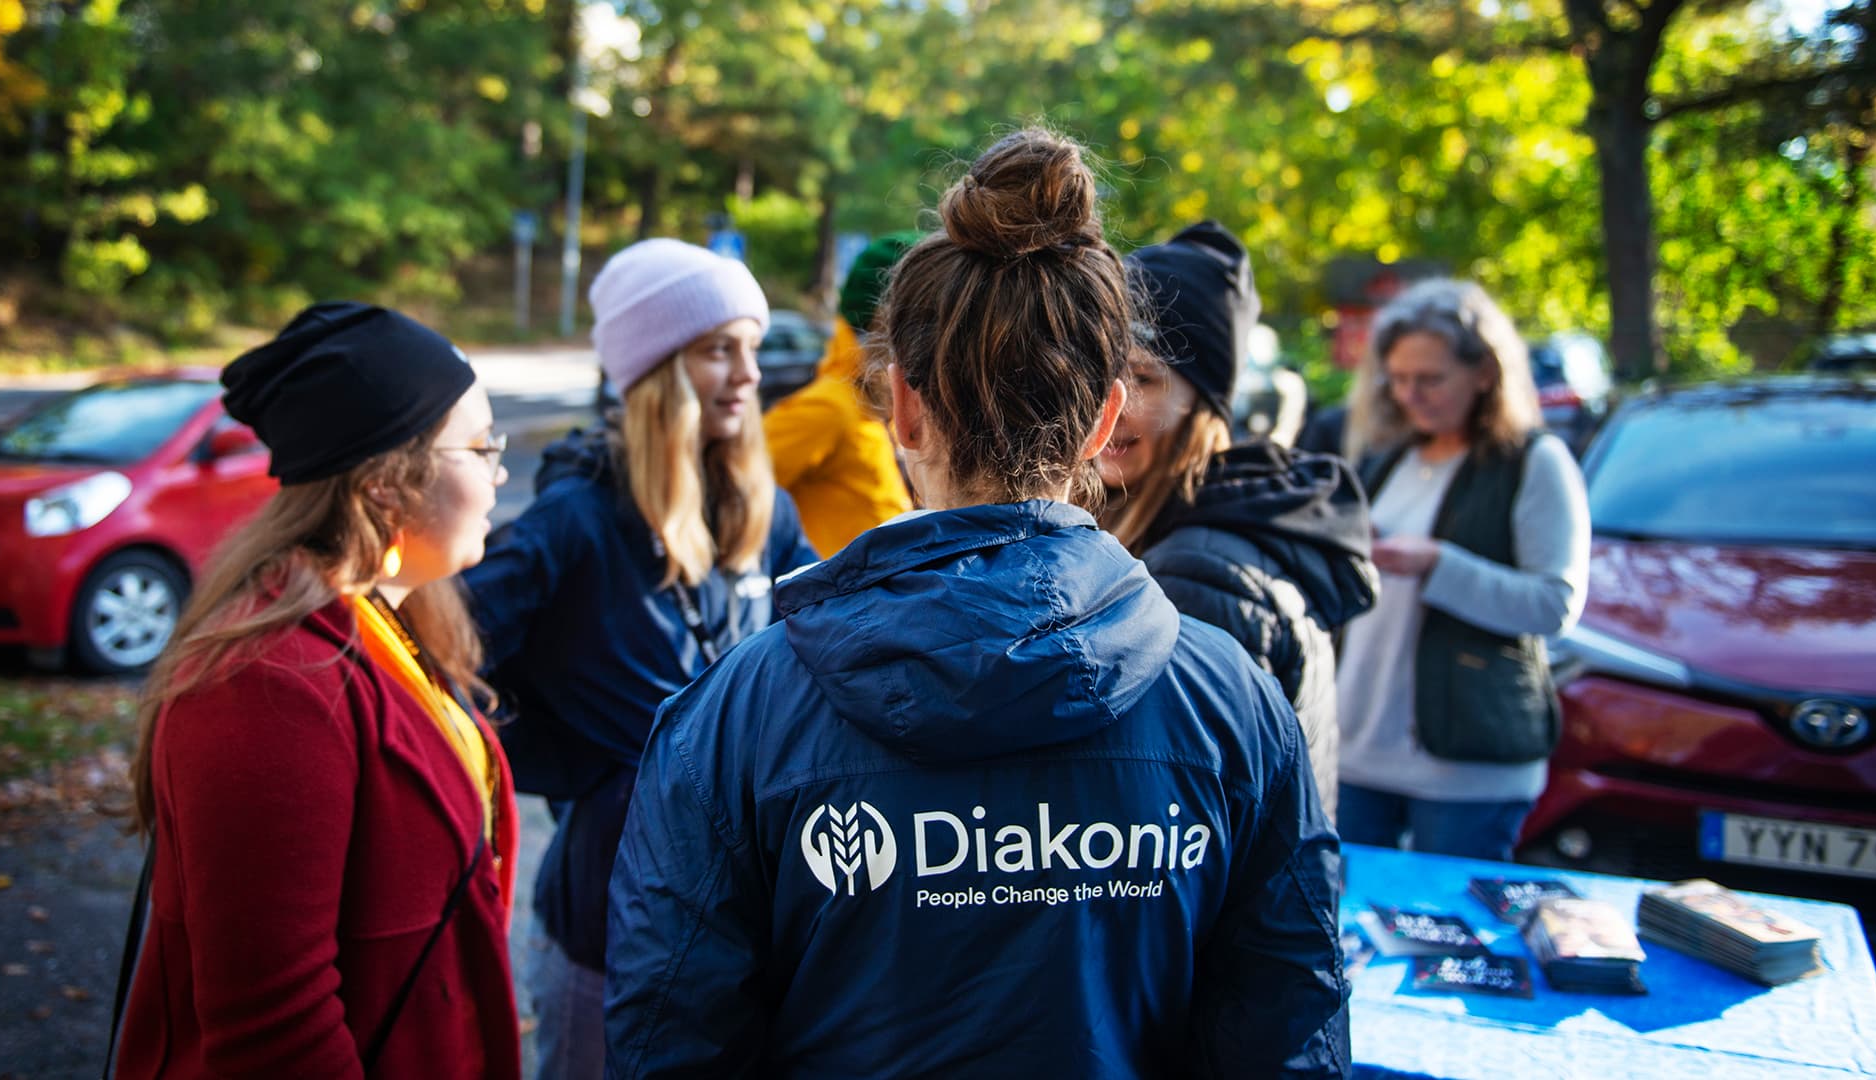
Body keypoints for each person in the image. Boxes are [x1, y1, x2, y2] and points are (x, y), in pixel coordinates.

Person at [604, 129, 1347, 1078]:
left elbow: (668, 1041)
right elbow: (1292, 1030)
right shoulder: (1232, 703)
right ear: (1104, 420)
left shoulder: (739, 715)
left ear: (904, 410)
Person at [114, 302, 520, 1077]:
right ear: (383, 487)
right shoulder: (262, 685)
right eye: (479, 445)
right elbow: (275, 1035)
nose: (501, 468)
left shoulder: (386, 625)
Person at [462, 238, 814, 1080]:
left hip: (748, 920)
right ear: (655, 371)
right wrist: (568, 760)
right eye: (717, 349)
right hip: (607, 925)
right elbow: (442, 657)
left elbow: (817, 671)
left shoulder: (770, 516)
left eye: (752, 349)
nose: (748, 375)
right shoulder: (577, 517)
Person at [1099, 221, 1378, 818]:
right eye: (1098, 375)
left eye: (1142, 378)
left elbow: (1181, 821)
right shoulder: (1184, 532)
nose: (1109, 403)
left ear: (1205, 402)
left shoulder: (1197, 572)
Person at [1334, 278, 1590, 861]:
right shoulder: (1391, 459)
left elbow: (1555, 605)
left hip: (1468, 768)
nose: (1410, 395)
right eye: (1397, 379)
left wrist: (1437, 565)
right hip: (1360, 750)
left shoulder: (1535, 461)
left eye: (1430, 379)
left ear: (1485, 374)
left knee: (1449, 933)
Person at [762, 231, 918, 555]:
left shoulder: (881, 408)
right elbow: (729, 494)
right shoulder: (830, 407)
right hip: (829, 602)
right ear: (882, 325)